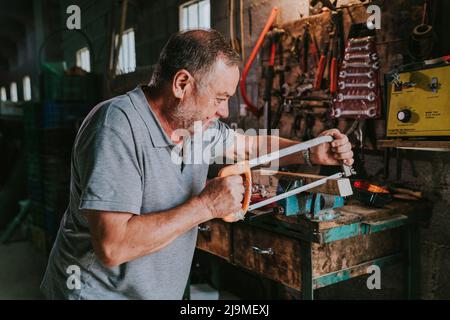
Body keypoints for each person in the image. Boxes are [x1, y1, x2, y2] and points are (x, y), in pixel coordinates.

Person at [41, 29, 354, 300]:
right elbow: (113, 246)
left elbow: (248, 146)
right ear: (181, 84)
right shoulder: (116, 127)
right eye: (219, 98)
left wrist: (311, 151)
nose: (225, 111)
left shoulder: (194, 126)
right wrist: (206, 206)